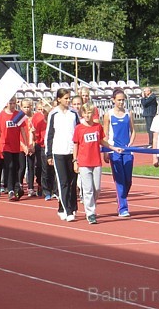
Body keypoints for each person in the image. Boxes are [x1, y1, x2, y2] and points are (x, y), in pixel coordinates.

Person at [73, 103, 122, 224]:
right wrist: (75, 161)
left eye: (90, 112)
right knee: (88, 189)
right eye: (86, 113)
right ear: (82, 114)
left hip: (96, 161)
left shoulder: (97, 127)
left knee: (97, 188)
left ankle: (91, 205)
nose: (88, 115)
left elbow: (102, 141)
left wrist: (114, 148)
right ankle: (90, 213)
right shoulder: (79, 128)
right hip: (84, 162)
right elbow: (76, 144)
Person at [45, 89, 79, 220]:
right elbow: (49, 135)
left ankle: (67, 206)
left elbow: (78, 132)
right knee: (63, 182)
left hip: (72, 152)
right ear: (59, 99)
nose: (68, 100)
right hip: (58, 152)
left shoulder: (73, 114)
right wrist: (48, 155)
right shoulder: (53, 114)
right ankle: (68, 210)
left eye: (69, 98)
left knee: (72, 182)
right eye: (65, 98)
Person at [103, 88, 136, 218]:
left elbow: (133, 131)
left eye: (123, 100)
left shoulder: (129, 113)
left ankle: (121, 197)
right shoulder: (109, 115)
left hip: (127, 151)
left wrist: (130, 143)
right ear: (113, 100)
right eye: (119, 100)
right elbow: (105, 134)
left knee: (128, 180)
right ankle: (123, 207)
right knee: (120, 180)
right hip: (114, 151)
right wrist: (106, 151)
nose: (121, 102)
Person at [0, 97, 30, 201]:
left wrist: (26, 143)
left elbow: (23, 129)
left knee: (16, 167)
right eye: (10, 103)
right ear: (6, 103)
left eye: (14, 103)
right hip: (5, 145)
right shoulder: (1, 115)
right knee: (9, 166)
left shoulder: (18, 115)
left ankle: (15, 187)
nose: (12, 105)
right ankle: (10, 189)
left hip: (16, 146)